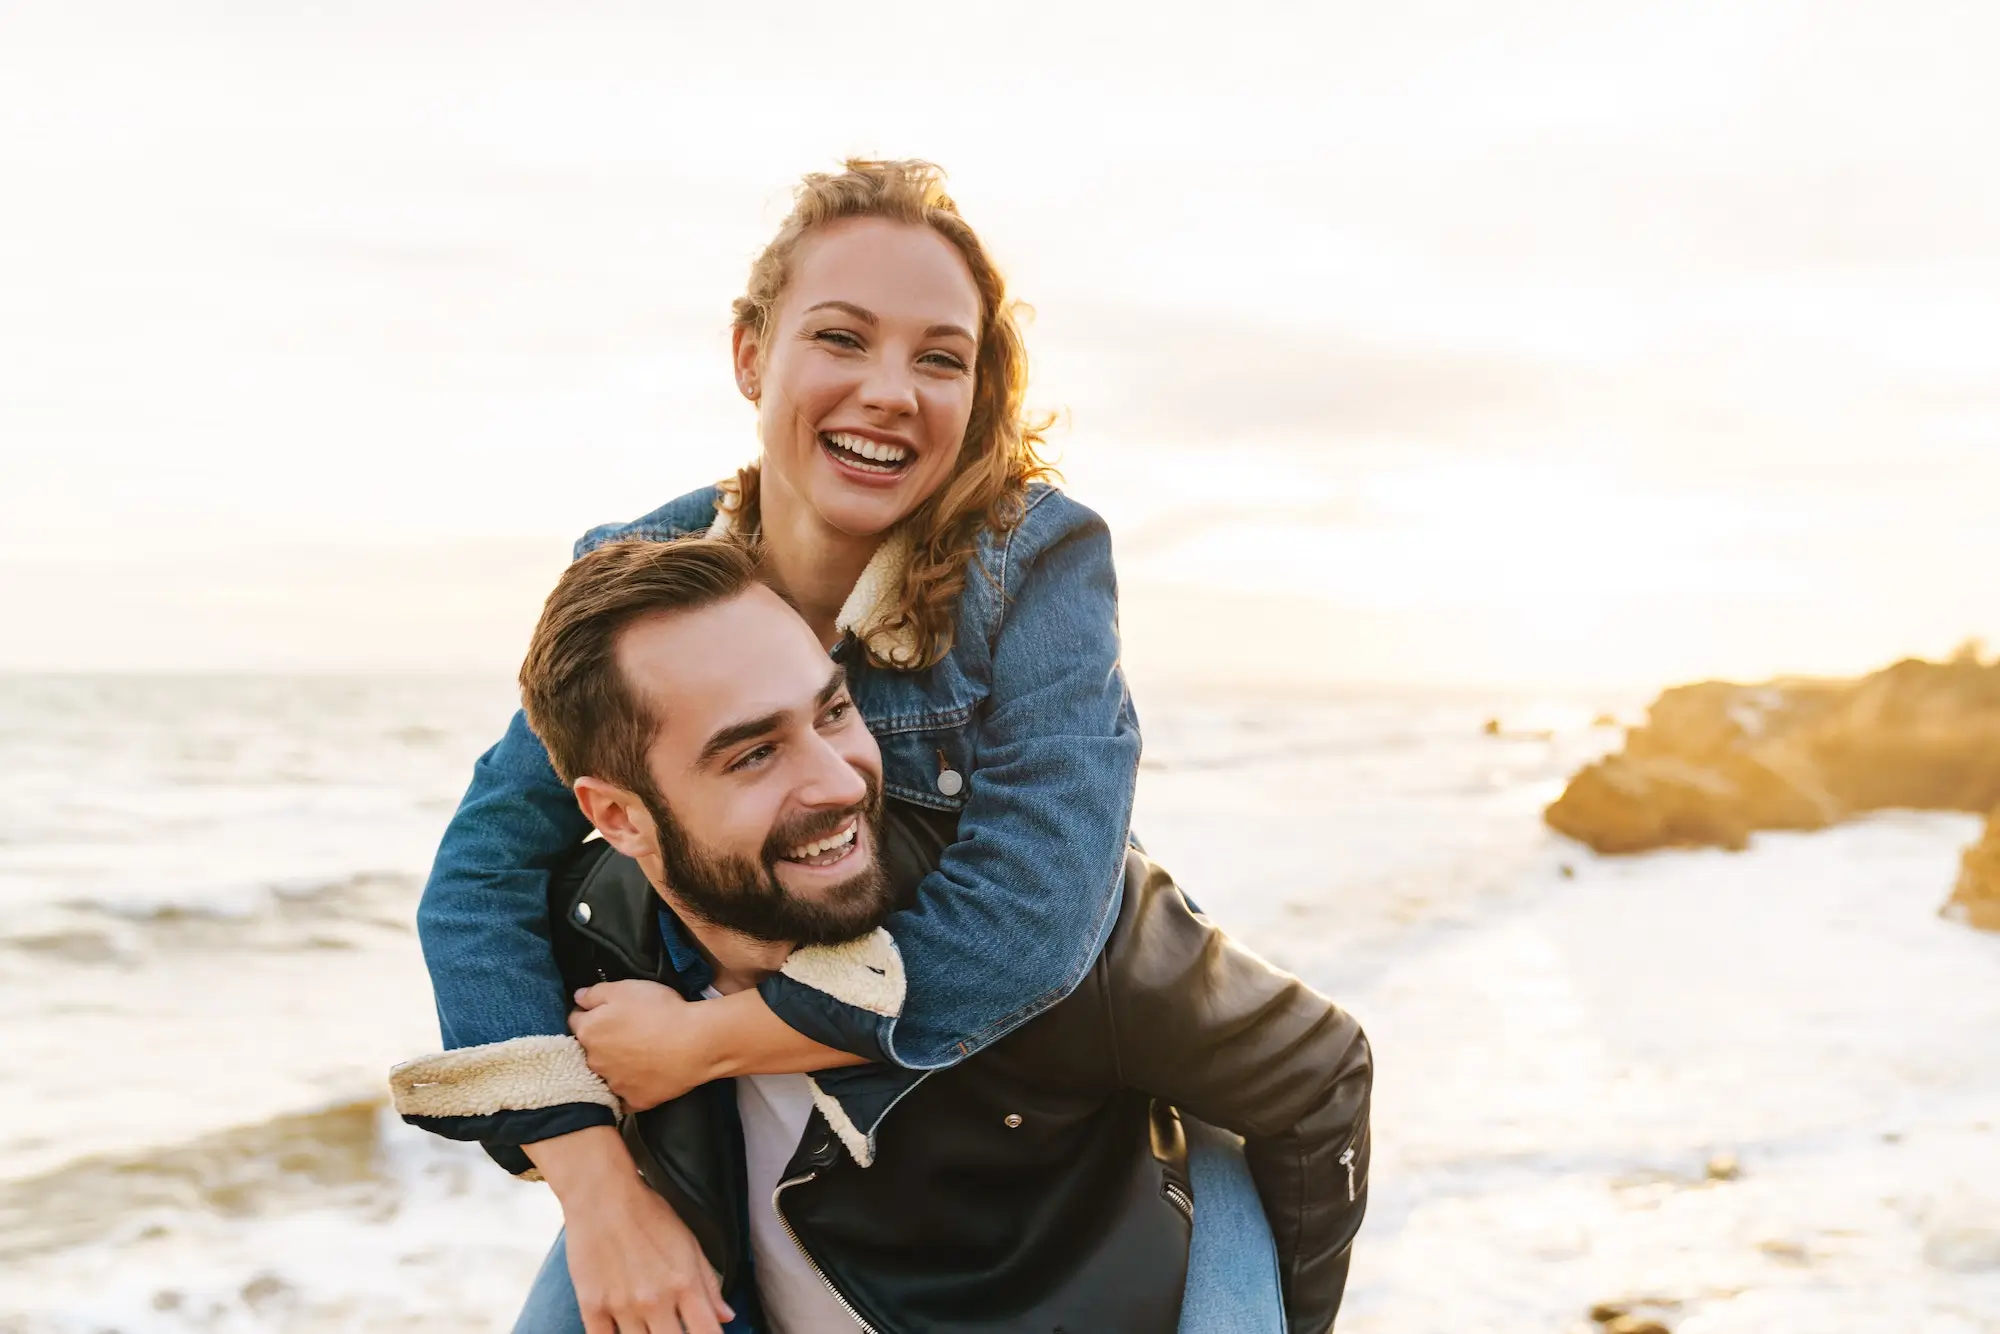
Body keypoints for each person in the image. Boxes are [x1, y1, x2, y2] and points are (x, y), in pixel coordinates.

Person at [409, 158, 1285, 1329]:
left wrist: (702, 1043)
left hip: (1041, 1130)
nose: (890, 391)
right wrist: (598, 1191)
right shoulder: (638, 578)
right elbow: (477, 880)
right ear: (748, 354)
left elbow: (1030, 922)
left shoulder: (1033, 562)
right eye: (841, 337)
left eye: (939, 356)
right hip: (754, 1152)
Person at [391, 537, 1372, 1333]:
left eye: (832, 711)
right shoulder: (590, 940)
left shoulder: (1041, 916)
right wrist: (598, 1196)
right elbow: (481, 949)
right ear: (619, 816)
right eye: (752, 752)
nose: (835, 779)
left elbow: (1322, 1070)